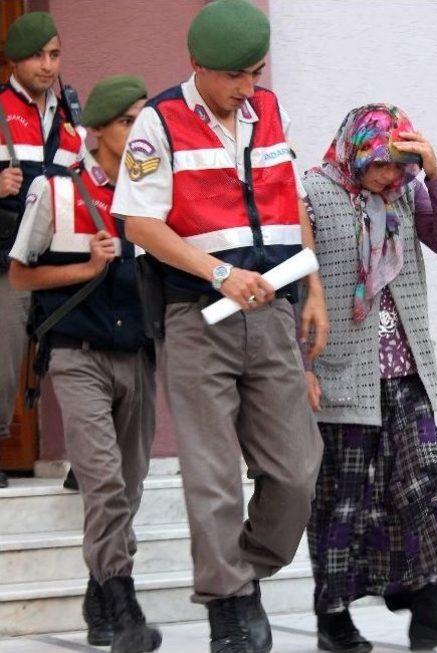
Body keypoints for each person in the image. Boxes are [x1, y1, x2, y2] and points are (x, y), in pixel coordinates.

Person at [111, 1, 326, 651]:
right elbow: (140, 223)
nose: (246, 88)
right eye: (233, 76)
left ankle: (242, 570)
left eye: (254, 73)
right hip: (198, 317)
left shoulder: (270, 112)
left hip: (273, 312)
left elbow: (290, 200)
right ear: (198, 66)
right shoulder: (159, 122)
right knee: (211, 476)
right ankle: (229, 605)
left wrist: (312, 286)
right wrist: (216, 273)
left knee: (298, 470)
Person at [303, 104, 437, 652]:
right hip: (341, 375)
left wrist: (434, 170)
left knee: (431, 487)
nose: (391, 176)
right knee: (344, 502)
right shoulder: (310, 193)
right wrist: (299, 367)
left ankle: (429, 611)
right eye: (384, 164)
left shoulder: (408, 193)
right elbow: (293, 285)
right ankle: (333, 618)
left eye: (400, 166)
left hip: (405, 375)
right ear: (357, 151)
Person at [8, 75, 161, 653]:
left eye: (142, 121)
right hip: (77, 356)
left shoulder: (155, 190)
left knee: (133, 483)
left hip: (139, 357)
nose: (137, 132)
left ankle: (97, 595)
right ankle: (123, 606)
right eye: (127, 121)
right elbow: (21, 273)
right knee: (102, 482)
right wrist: (83, 269)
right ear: (98, 129)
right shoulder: (57, 190)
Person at [0, 11, 84, 489]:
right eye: (37, 55)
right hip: (10, 255)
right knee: (6, 355)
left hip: (63, 255)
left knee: (74, 358)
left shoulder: (70, 114)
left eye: (54, 55)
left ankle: (83, 460)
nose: (48, 65)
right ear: (16, 59)